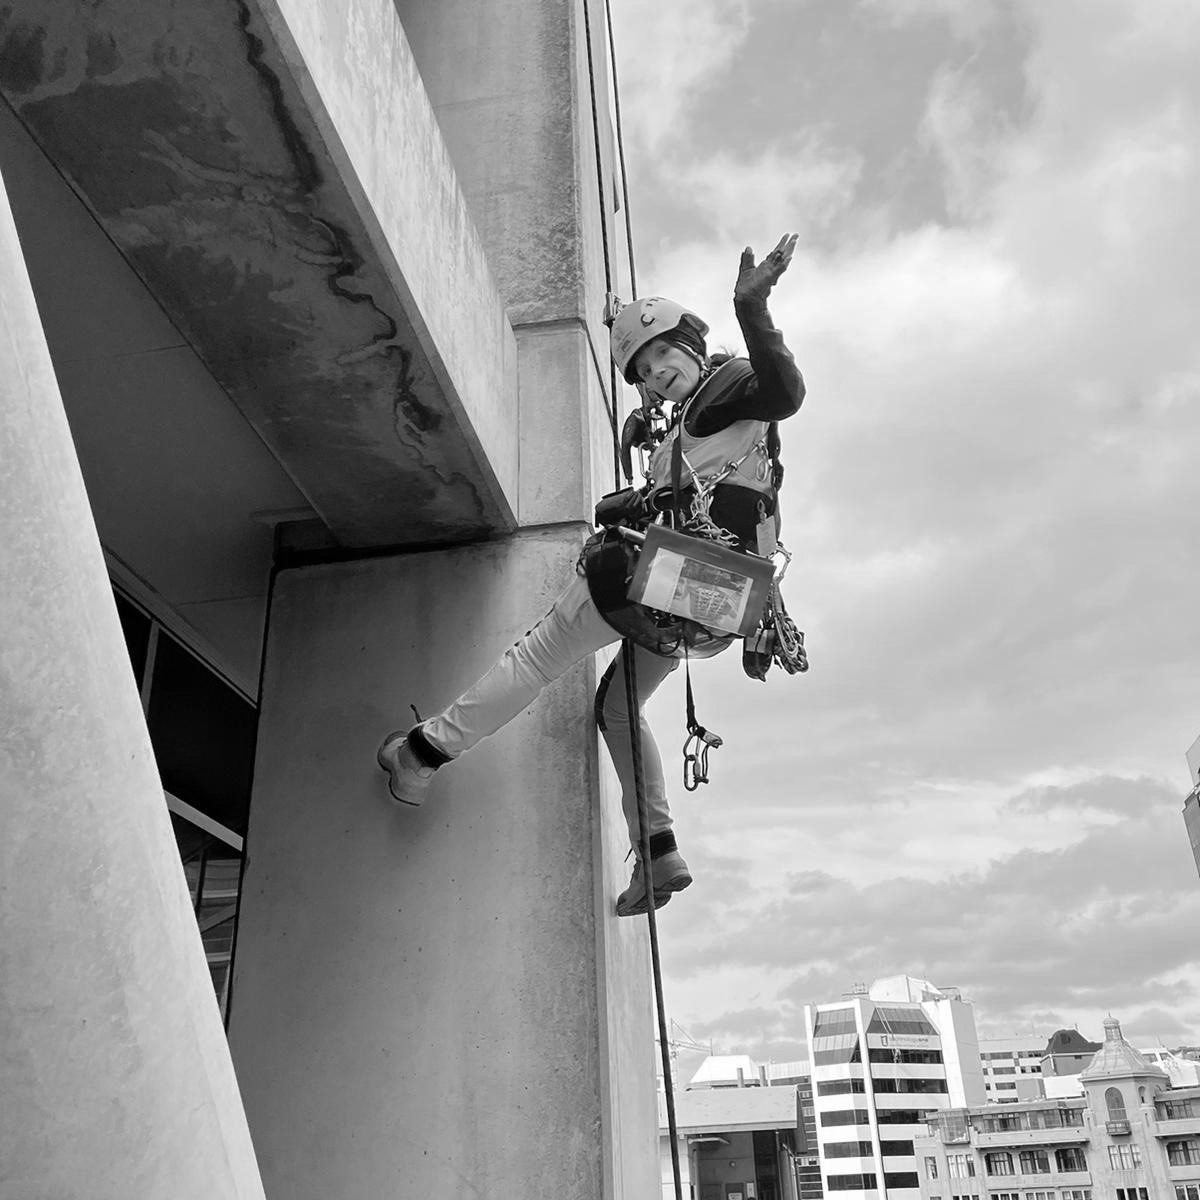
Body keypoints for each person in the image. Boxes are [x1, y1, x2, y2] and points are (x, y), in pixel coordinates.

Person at [377, 233, 805, 916]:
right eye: (644, 369)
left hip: (670, 578)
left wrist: (752, 311)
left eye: (664, 352)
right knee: (617, 708)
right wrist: (645, 478)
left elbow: (783, 390)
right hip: (721, 603)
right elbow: (700, 479)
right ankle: (658, 851)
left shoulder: (725, 387)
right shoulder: (706, 418)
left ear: (692, 344)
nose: (657, 371)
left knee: (537, 657)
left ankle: (420, 756)